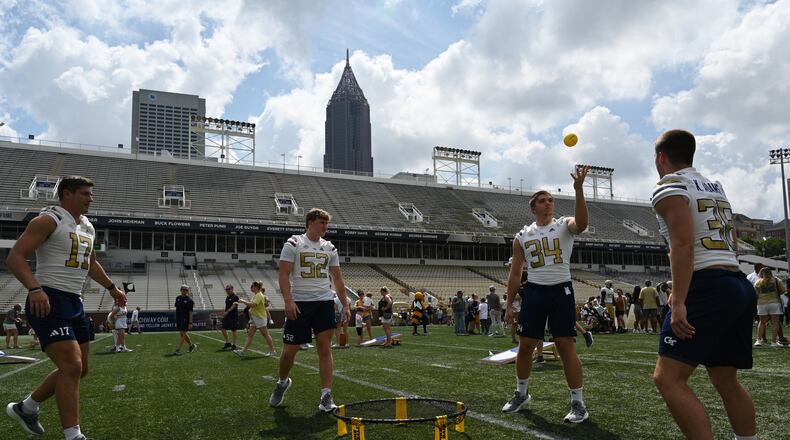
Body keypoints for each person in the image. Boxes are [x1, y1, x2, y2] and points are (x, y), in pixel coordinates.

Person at [650, 129, 756, 440]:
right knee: (725, 378)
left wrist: (679, 299)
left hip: (706, 284)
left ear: (661, 157)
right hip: (735, 281)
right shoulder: (715, 186)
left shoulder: (670, 184)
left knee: (668, 379)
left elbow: (682, 244)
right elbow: (733, 241)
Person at [4, 175, 127, 440]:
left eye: (91, 194)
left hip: (75, 301)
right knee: (71, 366)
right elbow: (15, 257)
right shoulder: (49, 220)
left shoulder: (88, 227)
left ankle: (27, 407)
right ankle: (74, 436)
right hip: (49, 298)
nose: (90, 198)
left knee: (79, 369)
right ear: (67, 194)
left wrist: (112, 288)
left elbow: (91, 263)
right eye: (85, 194)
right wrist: (35, 288)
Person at [502, 166, 590, 424]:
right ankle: (521, 393)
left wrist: (579, 190)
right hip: (535, 292)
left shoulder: (564, 225)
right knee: (525, 346)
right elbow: (515, 274)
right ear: (533, 208)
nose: (548, 203)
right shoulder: (522, 236)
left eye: (551, 199)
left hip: (561, 289)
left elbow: (582, 224)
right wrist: (509, 305)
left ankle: (578, 402)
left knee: (565, 345)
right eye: (543, 200)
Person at [269, 208, 350, 413]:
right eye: (322, 223)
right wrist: (288, 301)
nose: (325, 227)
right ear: (310, 222)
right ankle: (282, 382)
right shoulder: (294, 243)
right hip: (300, 303)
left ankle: (326, 395)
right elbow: (284, 274)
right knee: (289, 352)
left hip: (324, 302)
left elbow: (338, 278)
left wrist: (346, 304)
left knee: (325, 348)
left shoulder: (329, 247)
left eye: (326, 223)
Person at [235, 282, 277, 357]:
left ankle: (273, 351)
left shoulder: (259, 295)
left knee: (265, 335)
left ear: (256, 287)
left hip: (259, 317)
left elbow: (253, 305)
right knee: (250, 335)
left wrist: (243, 301)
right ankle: (243, 351)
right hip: (255, 317)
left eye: (252, 286)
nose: (251, 287)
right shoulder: (256, 295)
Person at [753, 268, 786, 347]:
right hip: (774, 303)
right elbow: (783, 291)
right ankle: (774, 342)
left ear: (761, 273)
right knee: (775, 323)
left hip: (761, 304)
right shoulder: (776, 280)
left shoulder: (757, 282)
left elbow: (755, 294)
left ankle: (758, 340)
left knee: (762, 322)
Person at [172, 285, 197, 355]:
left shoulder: (189, 300)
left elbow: (191, 312)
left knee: (183, 333)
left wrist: (190, 322)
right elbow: (177, 308)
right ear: (180, 290)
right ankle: (192, 346)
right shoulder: (178, 298)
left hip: (185, 319)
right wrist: (176, 318)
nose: (184, 291)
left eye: (186, 290)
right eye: (183, 289)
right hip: (179, 318)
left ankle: (178, 350)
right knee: (182, 333)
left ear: (188, 291)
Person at [221, 285, 240, 350]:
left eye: (228, 289)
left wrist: (227, 312)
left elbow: (234, 305)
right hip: (227, 316)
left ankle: (234, 344)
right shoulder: (227, 297)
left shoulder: (235, 297)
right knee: (223, 329)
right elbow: (227, 306)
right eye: (226, 289)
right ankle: (228, 342)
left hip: (233, 316)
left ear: (232, 289)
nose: (227, 291)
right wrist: (225, 312)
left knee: (233, 330)